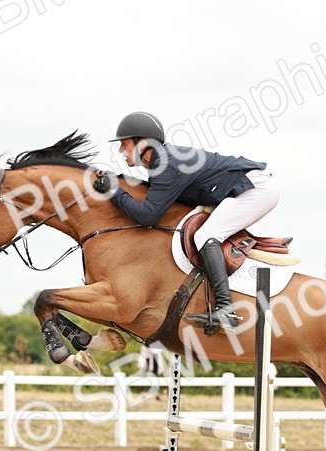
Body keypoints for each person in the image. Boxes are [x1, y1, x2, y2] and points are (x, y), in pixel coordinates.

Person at [93, 111, 280, 331]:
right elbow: (154, 196)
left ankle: (226, 310)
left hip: (255, 189)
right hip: (245, 188)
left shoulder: (167, 165)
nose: (120, 150)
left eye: (124, 144)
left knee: (206, 235)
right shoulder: (162, 163)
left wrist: (114, 191)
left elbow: (147, 216)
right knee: (206, 233)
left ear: (142, 143)